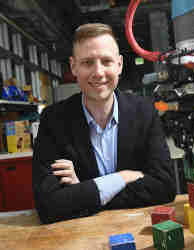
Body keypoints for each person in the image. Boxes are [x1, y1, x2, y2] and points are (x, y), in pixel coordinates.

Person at [32, 23, 176, 224]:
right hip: (81, 238)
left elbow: (164, 187)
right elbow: (48, 206)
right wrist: (122, 178)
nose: (98, 72)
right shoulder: (54, 121)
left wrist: (84, 191)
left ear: (119, 65)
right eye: (88, 62)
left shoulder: (144, 112)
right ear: (74, 66)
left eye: (106, 61)